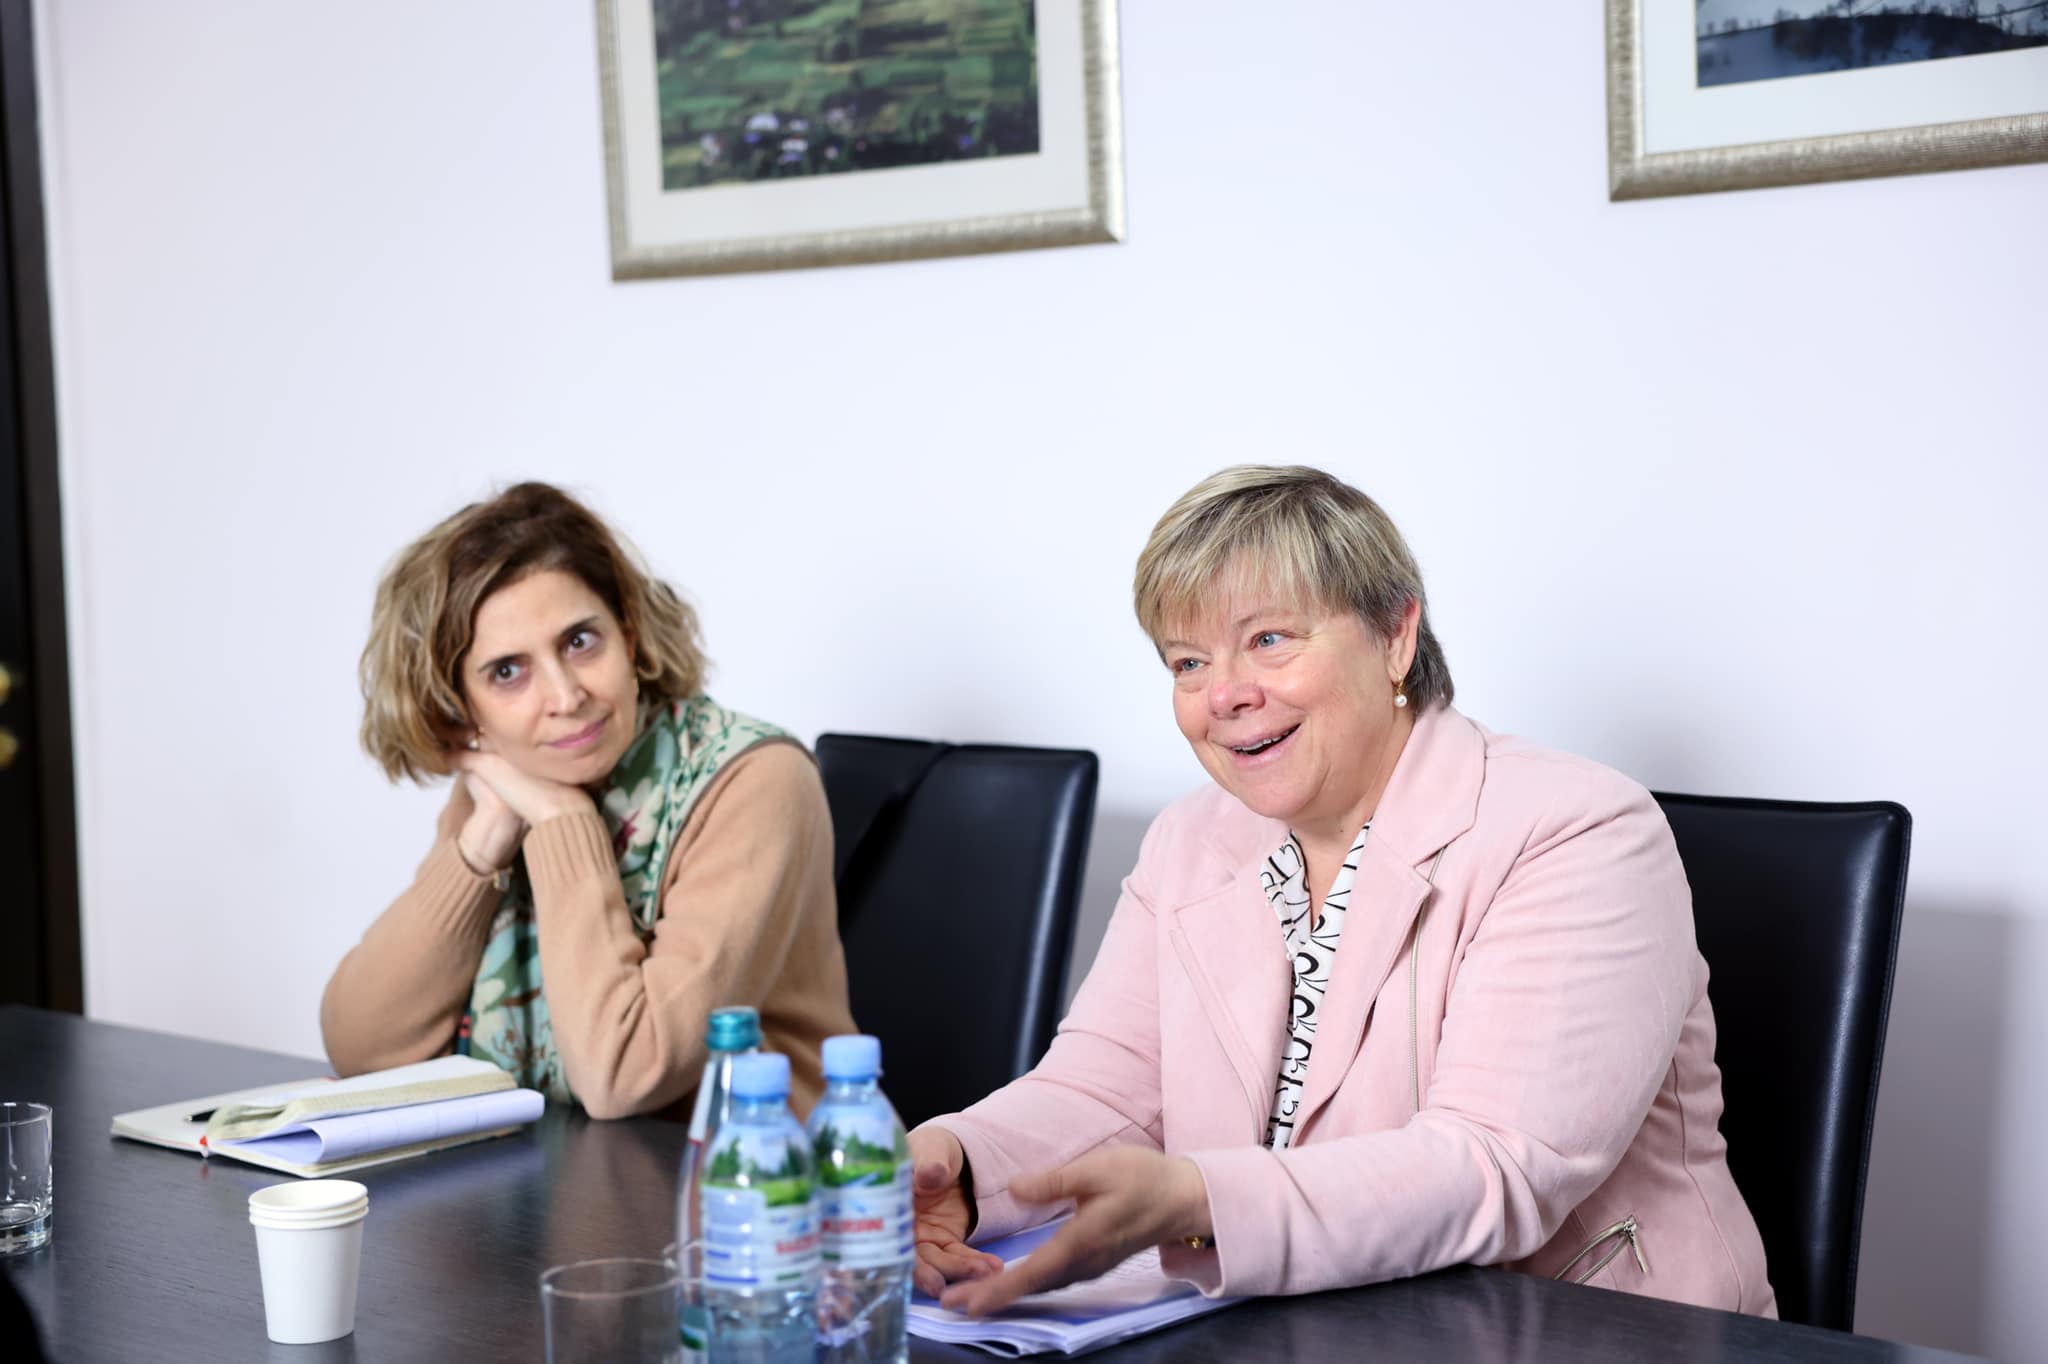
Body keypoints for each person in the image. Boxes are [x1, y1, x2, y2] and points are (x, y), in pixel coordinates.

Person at [909, 466, 1776, 1316]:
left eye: (1269, 640)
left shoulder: (1577, 829)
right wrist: (959, 1167)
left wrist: (1201, 1199)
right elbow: (1105, 1088)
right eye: (1188, 662)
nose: (1225, 695)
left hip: (1582, 1334)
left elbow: (1496, 1163)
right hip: (1302, 1327)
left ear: (1396, 637)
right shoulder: (1189, 841)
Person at [321, 482, 856, 1119]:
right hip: (565, 1169)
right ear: (461, 707)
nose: (565, 695)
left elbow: (626, 1074)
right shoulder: (507, 788)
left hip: (760, 1169)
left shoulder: (755, 780)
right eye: (507, 672)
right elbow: (363, 1047)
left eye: (579, 641)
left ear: (628, 634)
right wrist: (483, 840)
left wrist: (562, 822)